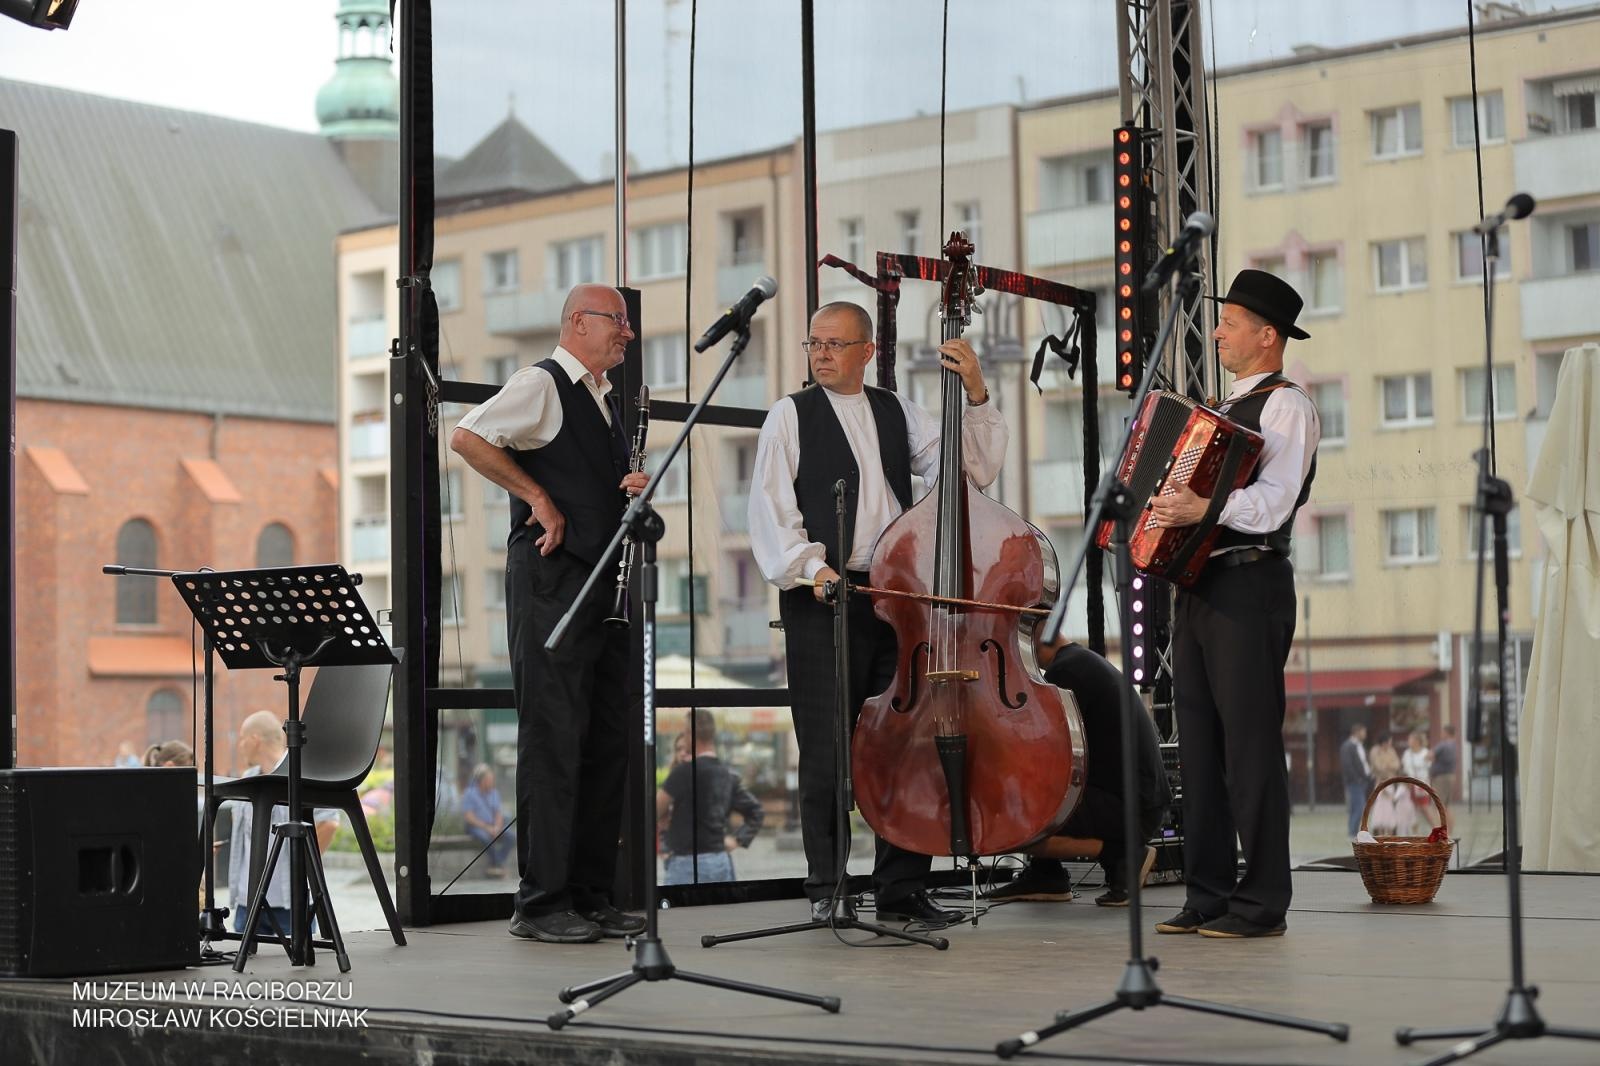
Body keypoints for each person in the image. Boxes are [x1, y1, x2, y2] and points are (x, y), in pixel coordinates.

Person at [748, 300, 1005, 925]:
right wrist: (813, 568)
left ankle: (900, 888)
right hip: (824, 596)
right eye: (815, 344)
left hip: (895, 597)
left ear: (867, 351)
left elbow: (969, 471)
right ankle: (829, 889)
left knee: (906, 744)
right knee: (828, 748)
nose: (822, 354)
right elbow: (771, 507)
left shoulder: (894, 409)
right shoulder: (791, 414)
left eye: (836, 344)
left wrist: (974, 393)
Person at [450, 283, 649, 945]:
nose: (627, 332)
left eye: (626, 323)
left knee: (604, 745)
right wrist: (537, 496)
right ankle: (539, 904)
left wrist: (625, 490)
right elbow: (468, 436)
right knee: (554, 742)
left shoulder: (602, 400)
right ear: (576, 323)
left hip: (603, 592)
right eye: (616, 322)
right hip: (552, 585)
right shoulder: (541, 383)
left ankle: (588, 895)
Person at [1148, 270, 1320, 940]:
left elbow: (1275, 501)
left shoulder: (1287, 406)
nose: (1216, 332)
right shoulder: (1222, 407)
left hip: (1250, 585)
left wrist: (1203, 506)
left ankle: (1263, 901)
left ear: (1266, 335)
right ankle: (1209, 892)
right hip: (1200, 587)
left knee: (1249, 748)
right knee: (1198, 747)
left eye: (1229, 322)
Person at [988, 635, 1171, 906]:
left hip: (1129, 807)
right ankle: (1045, 874)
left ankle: (1120, 856)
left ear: (1036, 636)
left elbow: (1045, 747)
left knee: (1013, 819)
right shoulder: (1080, 661)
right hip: (1141, 801)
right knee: (1038, 795)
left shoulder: (1066, 672)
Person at [227, 709, 342, 937]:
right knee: (249, 967)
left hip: (289, 902)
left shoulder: (299, 773)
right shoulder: (248, 778)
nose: (239, 746)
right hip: (247, 901)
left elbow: (328, 823)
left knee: (294, 967)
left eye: (242, 739)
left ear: (254, 740)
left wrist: (301, 866)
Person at [657, 709, 765, 885]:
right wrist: (737, 839)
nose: (683, 748)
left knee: (680, 912)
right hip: (718, 860)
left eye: (685, 734)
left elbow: (651, 811)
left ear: (691, 735)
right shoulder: (726, 773)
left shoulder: (683, 772)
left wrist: (664, 823)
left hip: (687, 862)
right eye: (679, 748)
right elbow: (756, 811)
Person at [461, 764, 513, 878]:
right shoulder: (469, 793)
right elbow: (469, 817)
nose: (492, 782)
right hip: (475, 826)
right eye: (490, 780)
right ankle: (500, 865)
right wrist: (487, 828)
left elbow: (498, 813)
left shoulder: (494, 793)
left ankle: (495, 864)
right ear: (482, 781)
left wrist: (497, 827)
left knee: (511, 836)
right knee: (485, 837)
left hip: (493, 826)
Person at [1367, 731, 1406, 836]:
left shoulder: (1391, 751)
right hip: (1380, 780)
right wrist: (1388, 765)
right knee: (1380, 806)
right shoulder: (1375, 751)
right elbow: (1378, 766)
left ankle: (1390, 831)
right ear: (1384, 742)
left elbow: (1397, 764)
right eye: (1389, 742)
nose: (1390, 744)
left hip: (1391, 781)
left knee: (1390, 805)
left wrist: (1388, 765)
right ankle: (1379, 831)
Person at [1340, 723, 1373, 839]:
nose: (1365, 734)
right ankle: (1352, 831)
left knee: (1357, 806)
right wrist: (1357, 778)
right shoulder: (1348, 746)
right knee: (1358, 807)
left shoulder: (1359, 746)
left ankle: (1353, 830)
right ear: (1357, 732)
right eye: (1363, 732)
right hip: (1355, 782)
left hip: (1362, 781)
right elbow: (1348, 765)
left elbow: (1362, 763)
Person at [1401, 729, 1435, 834]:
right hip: (1411, 785)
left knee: (1425, 808)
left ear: (1417, 741)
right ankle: (1415, 835)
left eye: (1411, 739)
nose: (1409, 741)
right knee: (1413, 811)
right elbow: (1406, 768)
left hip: (1422, 785)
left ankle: (1437, 830)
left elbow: (1429, 768)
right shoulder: (1407, 753)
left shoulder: (1425, 752)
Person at [1431, 724, 1459, 805]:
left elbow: (1430, 755)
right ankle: (1445, 817)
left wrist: (1433, 759)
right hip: (1450, 776)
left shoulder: (1443, 745)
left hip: (1441, 778)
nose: (1441, 734)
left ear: (1447, 733)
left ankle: (1440, 818)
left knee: (1439, 804)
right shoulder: (1454, 745)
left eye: (1442, 732)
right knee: (1445, 805)